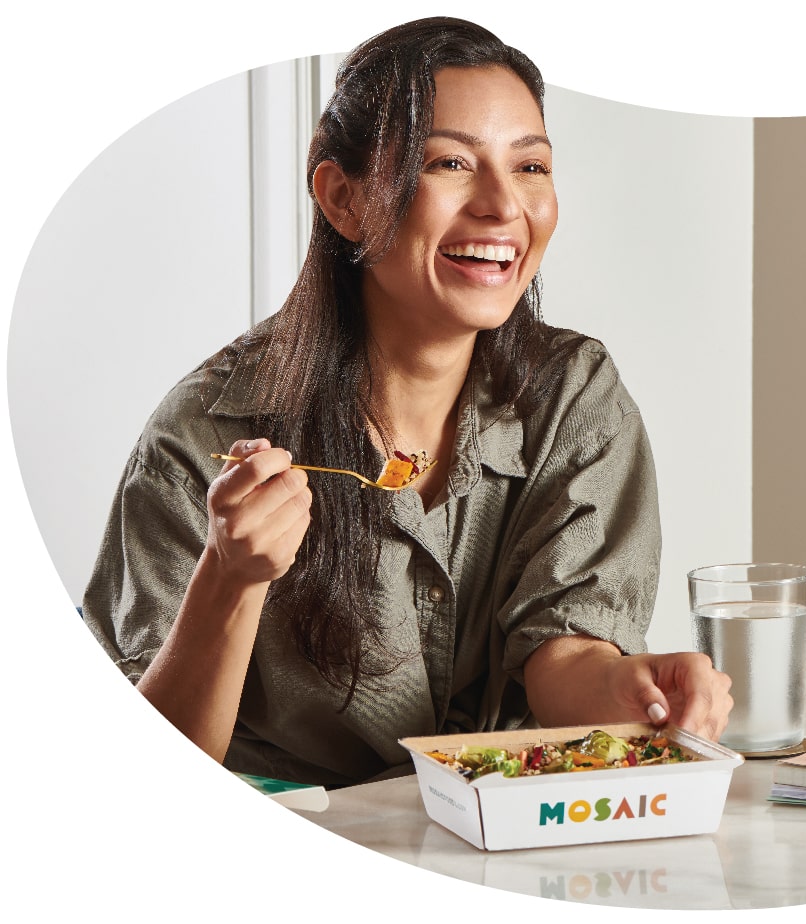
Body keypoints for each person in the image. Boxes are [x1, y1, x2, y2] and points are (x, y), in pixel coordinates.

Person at [82, 16, 732, 788]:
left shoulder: (574, 395)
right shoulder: (205, 434)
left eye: (530, 168)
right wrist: (230, 579)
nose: (502, 206)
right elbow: (143, 778)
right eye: (450, 163)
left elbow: (560, 655)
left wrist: (630, 689)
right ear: (344, 198)